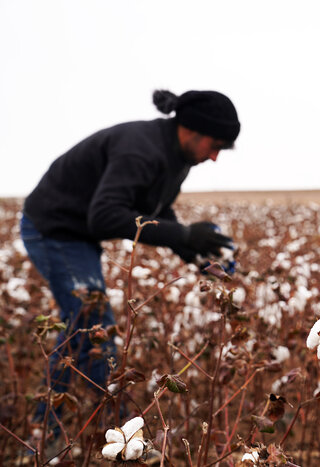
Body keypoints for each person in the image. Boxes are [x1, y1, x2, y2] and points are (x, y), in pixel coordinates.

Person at [20, 89, 239, 441]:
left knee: (80, 320)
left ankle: (46, 426)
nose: (214, 156)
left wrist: (195, 254)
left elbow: (154, 211)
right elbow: (104, 216)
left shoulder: (178, 157)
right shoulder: (140, 149)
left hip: (79, 233)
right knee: (92, 322)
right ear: (191, 128)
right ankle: (115, 433)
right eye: (215, 145)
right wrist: (183, 234)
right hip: (53, 228)